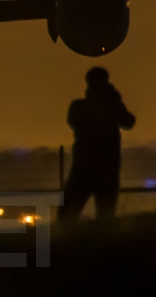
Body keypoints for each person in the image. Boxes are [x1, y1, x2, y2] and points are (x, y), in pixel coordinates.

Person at [58, 67, 136, 221]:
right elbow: (128, 121)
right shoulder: (109, 105)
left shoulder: (80, 106)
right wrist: (114, 101)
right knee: (104, 214)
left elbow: (73, 122)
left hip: (84, 166)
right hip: (105, 167)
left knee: (67, 214)